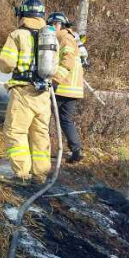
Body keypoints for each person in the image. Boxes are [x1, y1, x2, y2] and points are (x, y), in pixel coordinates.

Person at [0, 0, 77, 185]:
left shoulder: (17, 35)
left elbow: (6, 64)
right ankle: (40, 175)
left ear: (22, 14)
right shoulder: (51, 37)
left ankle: (21, 175)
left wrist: (4, 63)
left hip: (23, 92)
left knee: (15, 132)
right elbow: (61, 64)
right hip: (43, 94)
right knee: (40, 133)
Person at [46, 12, 84, 163]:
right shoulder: (71, 37)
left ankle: (44, 149)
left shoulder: (63, 37)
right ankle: (76, 150)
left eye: (51, 25)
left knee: (44, 116)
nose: (49, 29)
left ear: (57, 24)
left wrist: (55, 80)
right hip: (72, 87)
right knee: (65, 119)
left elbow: (67, 61)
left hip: (63, 85)